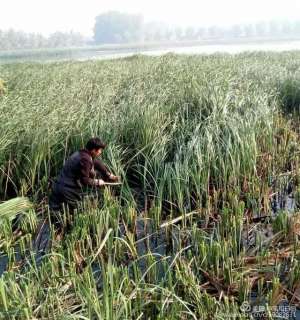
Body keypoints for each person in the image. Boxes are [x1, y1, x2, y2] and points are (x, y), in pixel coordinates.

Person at [49, 137, 119, 231]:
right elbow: (84, 180)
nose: (100, 152)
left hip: (57, 186)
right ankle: (69, 232)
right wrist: (98, 182)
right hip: (67, 189)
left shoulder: (82, 153)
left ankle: (58, 232)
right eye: (100, 150)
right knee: (74, 211)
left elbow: (96, 162)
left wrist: (108, 174)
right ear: (94, 150)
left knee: (56, 214)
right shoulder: (86, 159)